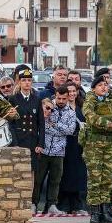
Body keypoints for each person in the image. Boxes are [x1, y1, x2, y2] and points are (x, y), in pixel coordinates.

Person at [35, 89, 77, 215]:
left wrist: (54, 124)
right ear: (56, 96)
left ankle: (52, 204)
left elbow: (70, 130)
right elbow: (41, 125)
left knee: (55, 180)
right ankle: (34, 203)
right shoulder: (48, 106)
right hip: (44, 148)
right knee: (38, 179)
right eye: (59, 98)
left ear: (68, 97)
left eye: (64, 99)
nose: (61, 101)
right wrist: (54, 126)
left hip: (59, 151)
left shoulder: (70, 112)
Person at [58, 83, 89, 215]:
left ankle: (77, 203)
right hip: (65, 142)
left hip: (79, 143)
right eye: (69, 91)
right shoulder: (60, 107)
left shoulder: (83, 107)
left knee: (78, 173)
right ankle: (64, 203)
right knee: (65, 173)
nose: (71, 94)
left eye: (74, 91)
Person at [9, 68, 45, 172]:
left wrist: (40, 143)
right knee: (18, 170)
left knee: (32, 170)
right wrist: (14, 143)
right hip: (19, 140)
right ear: (19, 82)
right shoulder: (13, 99)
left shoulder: (36, 99)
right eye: (24, 80)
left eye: (29, 80)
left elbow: (41, 123)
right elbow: (11, 124)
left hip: (33, 140)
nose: (27, 83)